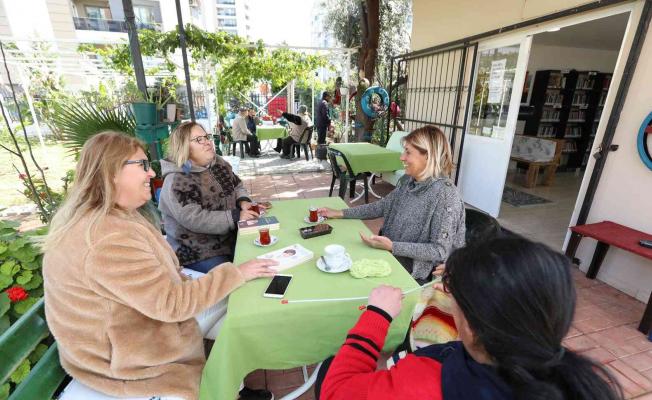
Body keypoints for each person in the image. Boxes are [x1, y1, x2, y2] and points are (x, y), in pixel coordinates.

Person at [42, 131, 277, 400]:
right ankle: (228, 389)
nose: (152, 174)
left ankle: (232, 386)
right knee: (238, 305)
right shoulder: (105, 237)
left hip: (135, 331)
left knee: (238, 307)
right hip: (128, 361)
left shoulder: (109, 218)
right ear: (112, 172)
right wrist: (235, 273)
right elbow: (171, 304)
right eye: (142, 165)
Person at [315, 235, 624, 400]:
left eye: (454, 298)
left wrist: (377, 315)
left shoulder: (426, 382)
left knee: (330, 368)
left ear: (475, 328)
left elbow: (336, 391)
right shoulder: (572, 379)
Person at [318, 125, 465, 283]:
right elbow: (382, 206)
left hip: (415, 275)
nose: (402, 157)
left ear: (428, 156)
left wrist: (393, 246)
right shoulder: (409, 182)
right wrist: (340, 213)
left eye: (408, 152)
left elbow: (439, 251)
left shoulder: (445, 195)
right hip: (389, 256)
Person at [158, 121, 263, 273]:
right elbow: (194, 218)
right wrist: (236, 216)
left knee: (261, 255)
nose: (207, 142)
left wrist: (243, 201)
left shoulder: (218, 162)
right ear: (184, 147)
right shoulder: (176, 180)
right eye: (199, 139)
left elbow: (237, 185)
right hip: (197, 251)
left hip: (231, 238)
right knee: (234, 278)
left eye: (206, 137)